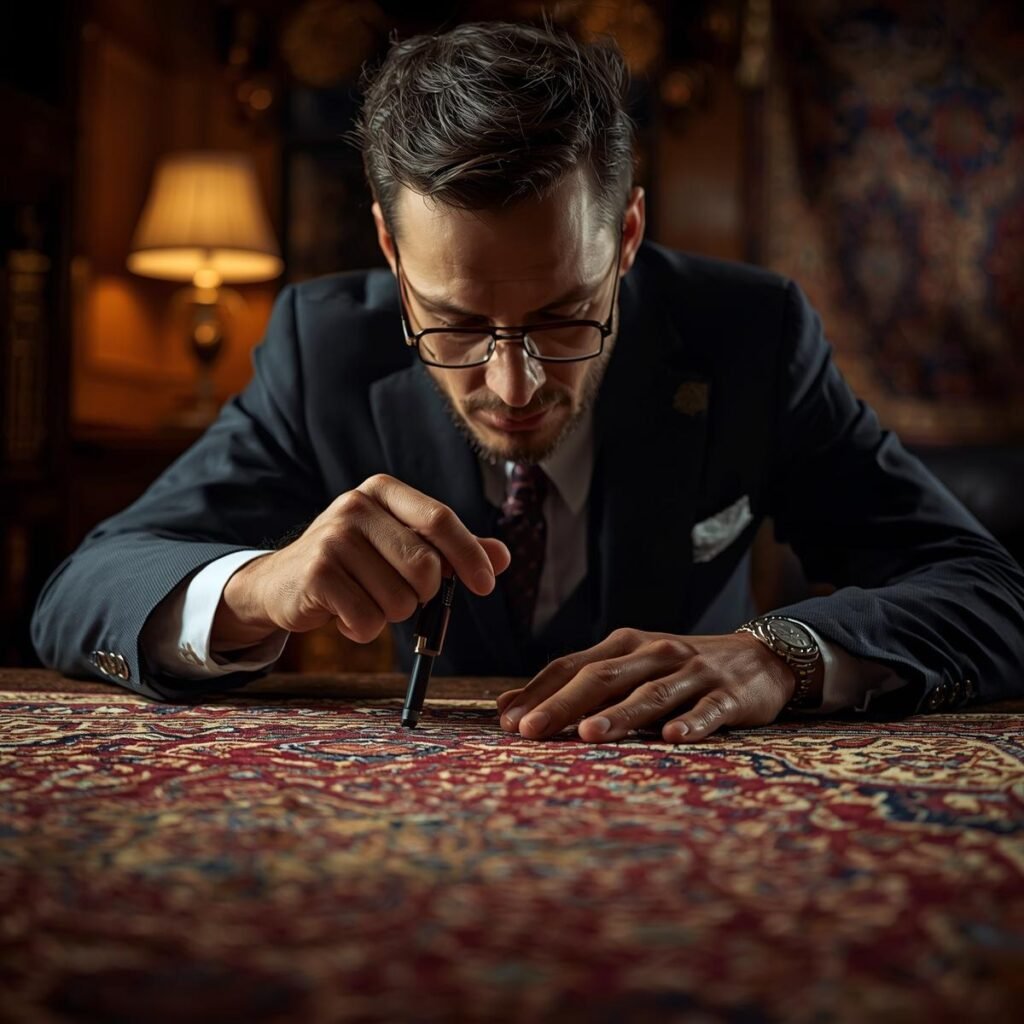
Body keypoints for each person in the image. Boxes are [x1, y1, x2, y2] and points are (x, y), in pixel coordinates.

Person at [32, 22, 1024, 744]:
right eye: (455, 325)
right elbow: (78, 592)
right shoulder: (321, 347)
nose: (513, 383)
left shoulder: (748, 335)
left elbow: (989, 593)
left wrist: (780, 653)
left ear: (625, 235)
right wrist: (258, 585)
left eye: (562, 314)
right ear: (390, 248)